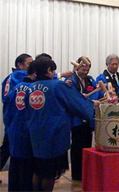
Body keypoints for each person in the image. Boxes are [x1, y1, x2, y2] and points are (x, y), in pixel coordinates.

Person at [25, 58, 98, 191]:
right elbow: (76, 103)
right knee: (50, 172)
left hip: (35, 134)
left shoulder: (30, 87)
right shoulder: (57, 86)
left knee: (38, 170)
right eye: (53, 70)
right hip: (53, 134)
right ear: (48, 70)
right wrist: (92, 106)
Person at [2, 61, 36, 191]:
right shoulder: (34, 89)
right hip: (26, 133)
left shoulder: (17, 86)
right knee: (26, 170)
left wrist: (9, 127)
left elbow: (7, 107)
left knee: (15, 166)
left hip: (14, 129)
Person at [69, 57, 100, 181]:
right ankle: (76, 174)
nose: (85, 71)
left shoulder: (90, 80)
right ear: (78, 67)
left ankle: (85, 172)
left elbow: (97, 93)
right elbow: (71, 98)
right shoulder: (71, 80)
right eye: (83, 68)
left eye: (87, 69)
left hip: (88, 117)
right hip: (76, 118)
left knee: (87, 145)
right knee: (77, 146)